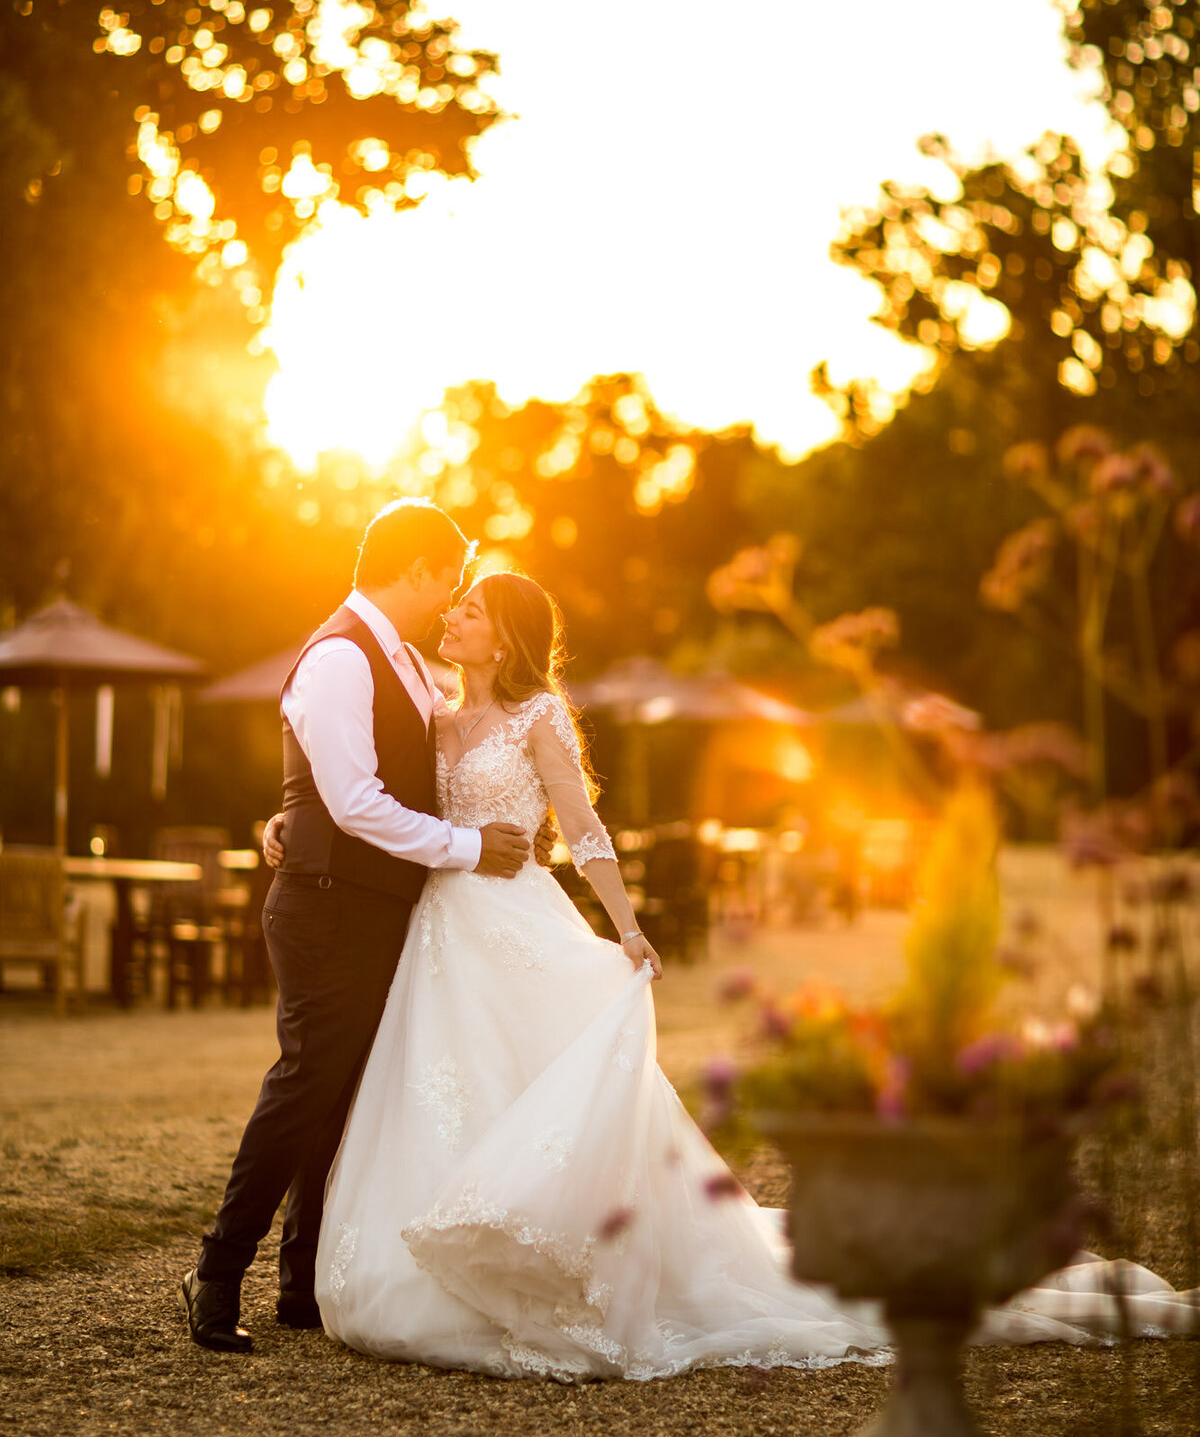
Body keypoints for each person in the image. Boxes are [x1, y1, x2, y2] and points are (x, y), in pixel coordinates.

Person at [264, 565, 1196, 1380]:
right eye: (452, 604)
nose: (451, 618)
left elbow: (582, 831)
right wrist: (283, 825)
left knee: (545, 1082)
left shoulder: (540, 718)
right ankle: (430, 1262)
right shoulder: (428, 707)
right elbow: (358, 787)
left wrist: (626, 928)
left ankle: (552, 1259)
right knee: (449, 1087)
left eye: (469, 609)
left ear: (504, 633)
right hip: (443, 930)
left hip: (519, 920)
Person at [180, 500, 548, 1354]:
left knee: (340, 1095)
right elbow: (353, 801)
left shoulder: (406, 664)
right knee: (308, 1083)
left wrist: (283, 815)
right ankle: (217, 1270)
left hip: (376, 906)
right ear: (416, 568)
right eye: (449, 579)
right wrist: (465, 847)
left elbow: (339, 778)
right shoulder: (343, 657)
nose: (452, 598)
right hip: (329, 905)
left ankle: (300, 1286)